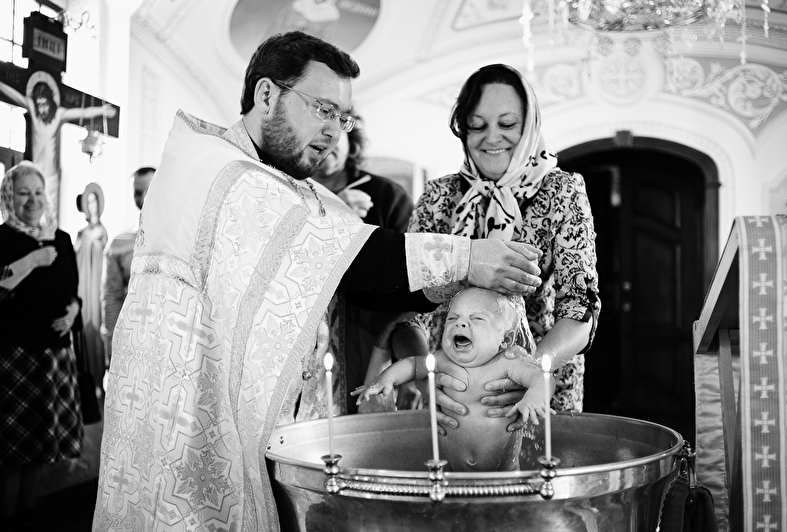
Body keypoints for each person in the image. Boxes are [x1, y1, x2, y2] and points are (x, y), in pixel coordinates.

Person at [92, 32, 542, 532]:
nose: (333, 132)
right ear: (267, 95)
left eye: (343, 118)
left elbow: (360, 279)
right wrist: (466, 258)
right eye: (324, 109)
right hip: (191, 441)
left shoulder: (298, 192)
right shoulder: (214, 172)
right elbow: (357, 259)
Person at [390, 63, 601, 432]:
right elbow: (408, 306)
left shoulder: (563, 191)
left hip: (535, 394)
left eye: (507, 124)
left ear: (529, 125)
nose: (491, 137)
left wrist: (529, 372)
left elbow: (580, 307)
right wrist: (427, 376)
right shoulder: (439, 196)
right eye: (477, 124)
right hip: (451, 392)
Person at [354, 287, 548, 472]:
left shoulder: (509, 362)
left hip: (504, 474)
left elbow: (541, 377)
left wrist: (534, 397)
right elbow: (413, 365)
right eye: (453, 317)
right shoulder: (442, 360)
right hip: (453, 471)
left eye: (477, 318)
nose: (460, 323)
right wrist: (385, 379)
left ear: (505, 340)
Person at [312, 109, 416, 413]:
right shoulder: (286, 194)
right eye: (316, 130)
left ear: (350, 136)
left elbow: (410, 279)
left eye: (335, 130)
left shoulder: (388, 196)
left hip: (368, 341)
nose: (326, 140)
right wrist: (335, 213)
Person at [0, 161, 82, 530]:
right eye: (23, 193)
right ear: (9, 197)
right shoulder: (2, 239)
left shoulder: (61, 238)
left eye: (37, 192)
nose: (32, 199)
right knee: (11, 455)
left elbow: (74, 291)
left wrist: (74, 310)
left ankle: (28, 519)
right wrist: (33, 259)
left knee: (38, 451)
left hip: (54, 357)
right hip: (15, 357)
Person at [0, 71, 117, 213]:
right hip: (35, 175)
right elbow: (15, 96)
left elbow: (82, 113)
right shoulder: (34, 112)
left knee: (49, 215)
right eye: (39, 105)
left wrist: (102, 110)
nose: (42, 109)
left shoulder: (58, 115)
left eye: (44, 104)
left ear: (50, 100)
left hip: (51, 177)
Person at [101, 167, 155, 367]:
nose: (144, 198)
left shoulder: (182, 239)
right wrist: (111, 345)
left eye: (150, 190)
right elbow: (111, 297)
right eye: (137, 193)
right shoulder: (118, 244)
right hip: (131, 337)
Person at [74, 183, 108, 392]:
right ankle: (84, 379)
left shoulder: (102, 233)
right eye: (89, 202)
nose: (92, 205)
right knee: (84, 330)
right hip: (83, 289)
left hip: (98, 290)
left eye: (95, 201)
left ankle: (98, 380)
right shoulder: (81, 234)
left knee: (97, 330)